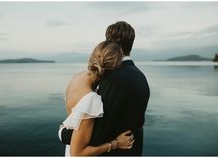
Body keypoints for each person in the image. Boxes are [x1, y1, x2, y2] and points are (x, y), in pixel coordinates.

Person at [60, 21, 150, 156]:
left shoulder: (111, 80)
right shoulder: (141, 77)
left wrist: (63, 133)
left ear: (110, 45)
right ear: (131, 43)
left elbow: (97, 132)